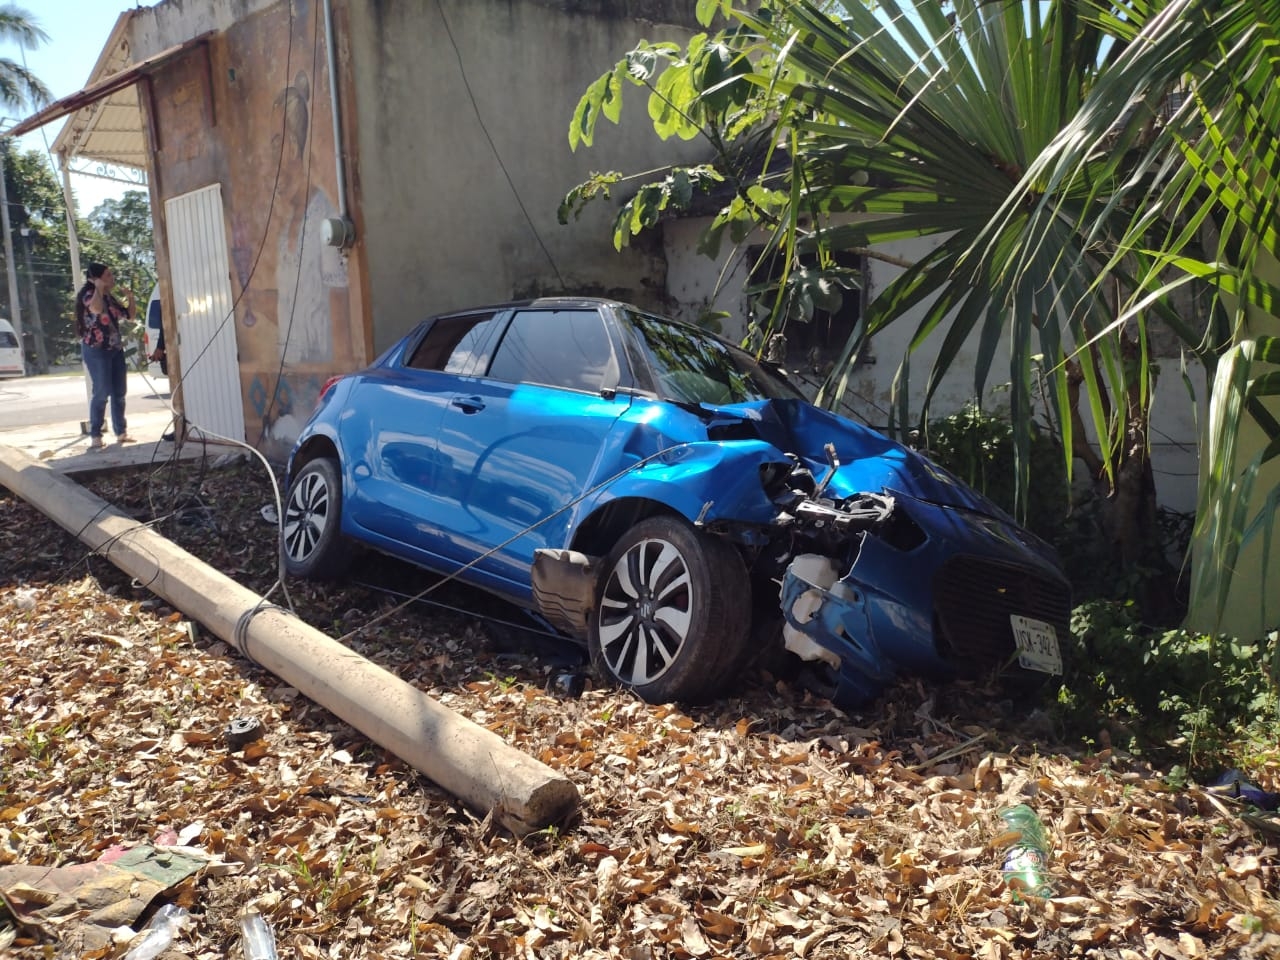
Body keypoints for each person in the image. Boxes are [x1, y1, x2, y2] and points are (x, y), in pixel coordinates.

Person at [75, 262, 135, 449]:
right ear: (98, 279)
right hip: (96, 349)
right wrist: (98, 290)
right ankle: (95, 434)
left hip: (115, 349)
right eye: (108, 275)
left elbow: (130, 316)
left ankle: (121, 431)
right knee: (101, 392)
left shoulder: (111, 298)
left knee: (119, 392)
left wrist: (130, 298)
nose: (112, 278)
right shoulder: (89, 296)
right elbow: (97, 309)